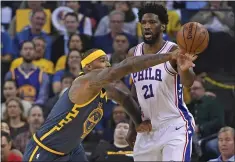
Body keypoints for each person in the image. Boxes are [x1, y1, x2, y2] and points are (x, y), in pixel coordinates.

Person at [23, 45, 194, 161]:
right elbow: (125, 66)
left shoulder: (104, 89)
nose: (107, 63)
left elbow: (124, 98)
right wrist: (168, 56)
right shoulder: (86, 82)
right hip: (45, 150)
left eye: (107, 60)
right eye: (102, 60)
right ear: (88, 67)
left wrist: (138, 123)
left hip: (73, 149)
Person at [125, 3, 197, 161]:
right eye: (144, 23)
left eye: (152, 22)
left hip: (174, 126)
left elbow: (189, 82)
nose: (147, 26)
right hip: (147, 128)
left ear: (163, 26)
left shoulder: (173, 50)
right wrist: (132, 126)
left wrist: (184, 69)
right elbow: (134, 92)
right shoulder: (133, 53)